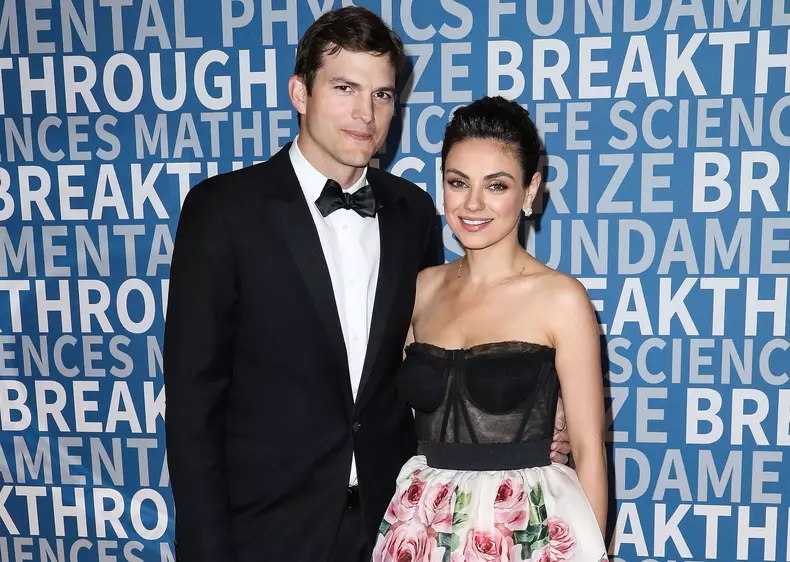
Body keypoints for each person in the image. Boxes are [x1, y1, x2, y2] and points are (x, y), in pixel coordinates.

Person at [163, 8, 571, 562]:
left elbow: (436, 355)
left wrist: (535, 420)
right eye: (345, 88)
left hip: (398, 527)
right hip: (267, 533)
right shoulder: (224, 212)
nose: (366, 114)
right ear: (300, 93)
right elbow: (193, 405)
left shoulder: (413, 211)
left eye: (383, 95)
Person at [372, 96, 608, 562]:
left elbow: (588, 451)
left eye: (496, 185)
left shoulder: (561, 298)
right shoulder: (420, 290)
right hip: (420, 527)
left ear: (530, 189)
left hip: (526, 533)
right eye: (458, 182)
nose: (473, 204)